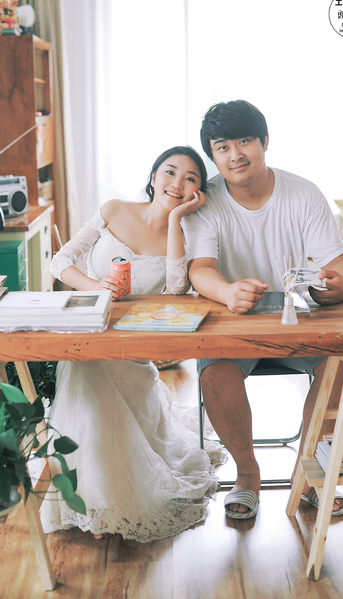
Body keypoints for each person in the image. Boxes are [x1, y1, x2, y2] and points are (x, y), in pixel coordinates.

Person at [182, 100, 343, 520]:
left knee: (341, 365)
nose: (235, 154)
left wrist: (338, 286)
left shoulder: (303, 193)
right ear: (212, 155)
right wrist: (227, 292)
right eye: (222, 147)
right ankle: (247, 474)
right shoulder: (206, 201)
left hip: (298, 320)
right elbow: (200, 269)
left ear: (264, 141)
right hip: (233, 323)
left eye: (245, 141)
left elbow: (342, 268)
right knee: (215, 371)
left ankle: (309, 472)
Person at [41, 145, 227, 542]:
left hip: (134, 345)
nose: (177, 183)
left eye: (190, 178)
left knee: (95, 380)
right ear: (154, 176)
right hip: (91, 327)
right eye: (170, 172)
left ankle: (107, 501)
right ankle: (94, 500)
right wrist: (95, 287)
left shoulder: (187, 231)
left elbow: (176, 291)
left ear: (197, 192)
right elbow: (60, 262)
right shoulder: (114, 209)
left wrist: (175, 219)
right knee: (83, 370)